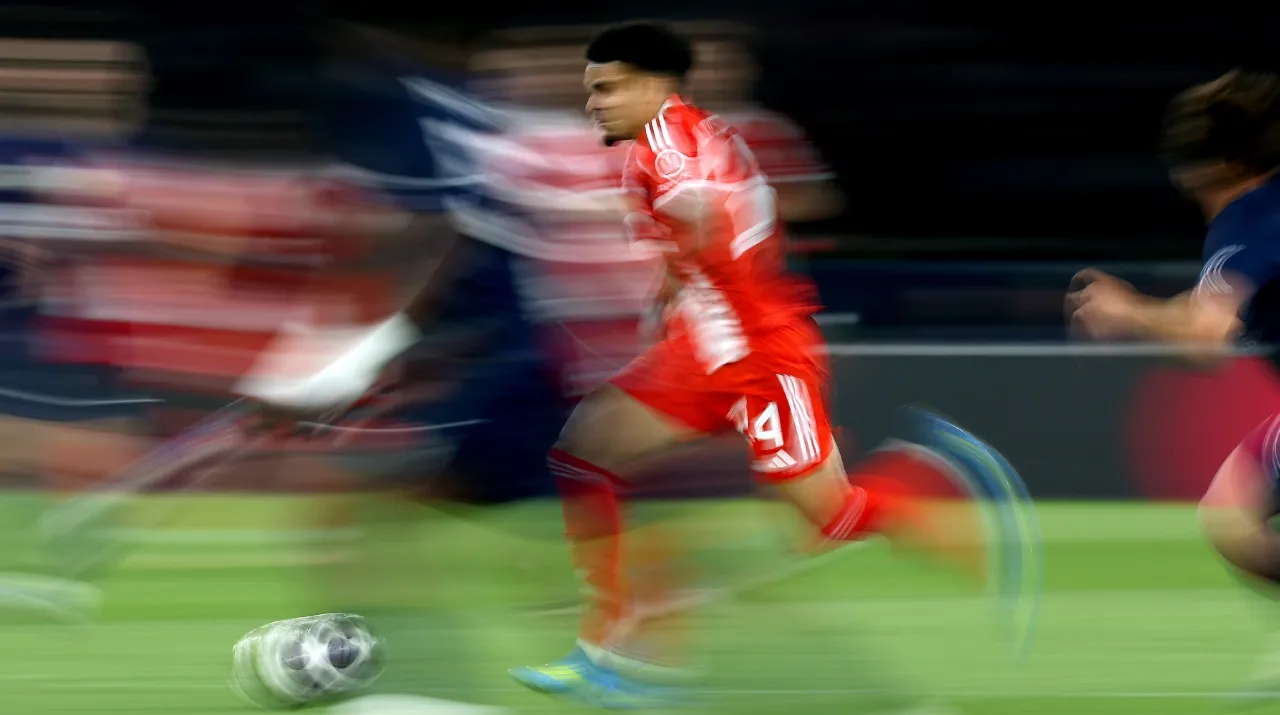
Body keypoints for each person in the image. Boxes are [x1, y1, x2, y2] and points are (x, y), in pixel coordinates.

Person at [486, 22, 1033, 706]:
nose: (592, 101)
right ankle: (617, 652)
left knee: (828, 522)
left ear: (654, 85)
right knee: (585, 456)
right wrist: (668, 297)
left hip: (759, 355)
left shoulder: (673, 149)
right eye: (589, 88)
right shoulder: (663, 142)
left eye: (607, 87)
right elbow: (694, 234)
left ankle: (935, 480)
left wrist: (656, 225)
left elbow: (702, 210)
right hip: (700, 351)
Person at [1068, 68, 1280, 696]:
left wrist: (1127, 310)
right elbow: (1213, 305)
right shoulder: (1262, 218)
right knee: (1229, 511)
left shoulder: (1247, 219)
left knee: (1230, 517)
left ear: (1209, 164)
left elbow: (1203, 339)